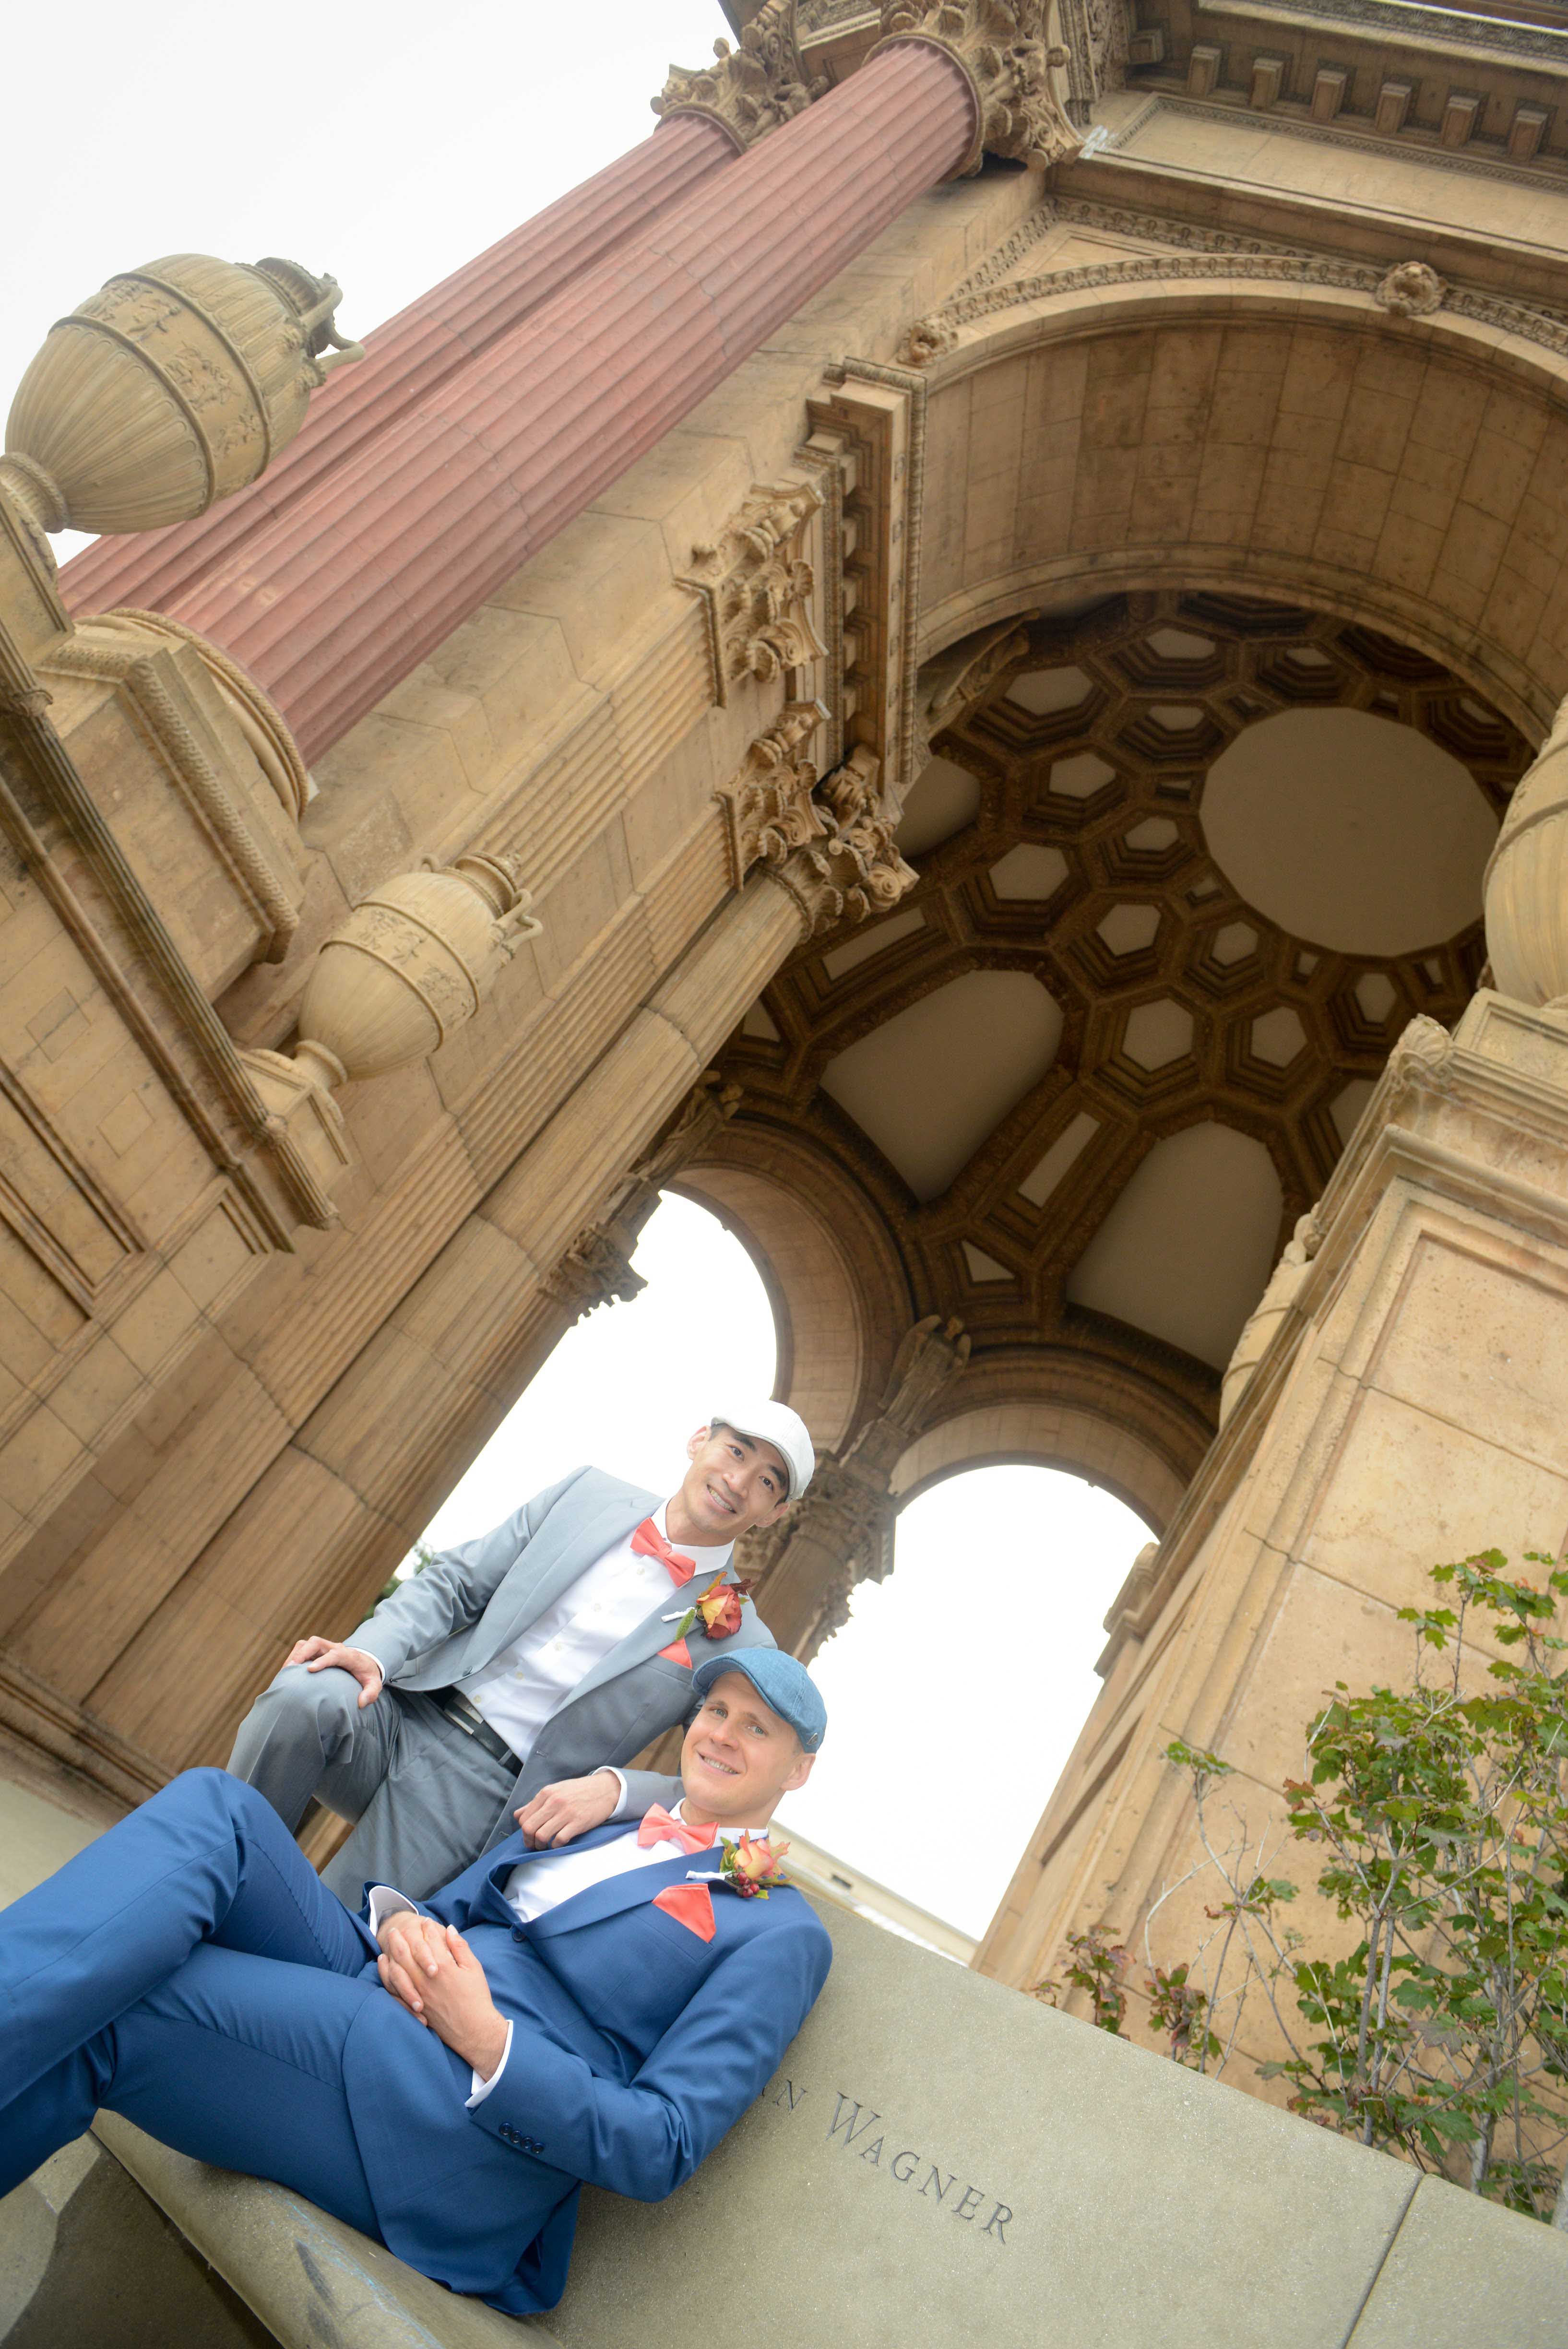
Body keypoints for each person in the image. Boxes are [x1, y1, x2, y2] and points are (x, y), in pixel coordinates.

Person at [0, 1653, 831, 2317]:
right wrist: (400, 1921)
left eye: (756, 1727)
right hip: (382, 1983)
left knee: (130, 2005)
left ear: (797, 1771)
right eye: (715, 1711)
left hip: (451, 2122)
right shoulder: (603, 1821)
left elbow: (662, 2144)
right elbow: (447, 1908)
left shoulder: (781, 1932)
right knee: (221, 1809)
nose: (722, 1733)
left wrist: (487, 2039)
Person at [229, 1402, 813, 1901]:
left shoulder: (741, 1637)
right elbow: (457, 1584)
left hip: (486, 1790)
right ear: (699, 1441)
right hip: (404, 1708)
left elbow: (726, 1772)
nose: (740, 1481)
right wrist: (373, 1653)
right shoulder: (586, 1493)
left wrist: (617, 1790)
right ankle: (220, 1875)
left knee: (333, 1920)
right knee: (303, 1695)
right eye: (738, 1452)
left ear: (775, 1514)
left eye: (767, 1481)